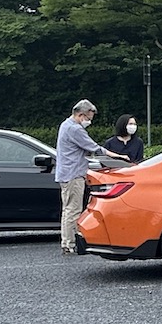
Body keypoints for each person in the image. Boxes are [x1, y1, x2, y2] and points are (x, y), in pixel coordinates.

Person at [54, 99, 105, 254]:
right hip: (74, 174)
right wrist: (118, 156)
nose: (89, 122)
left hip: (65, 174)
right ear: (81, 115)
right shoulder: (75, 129)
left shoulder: (65, 125)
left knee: (67, 209)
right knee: (73, 210)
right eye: (89, 118)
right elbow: (95, 148)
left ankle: (67, 242)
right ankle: (70, 244)